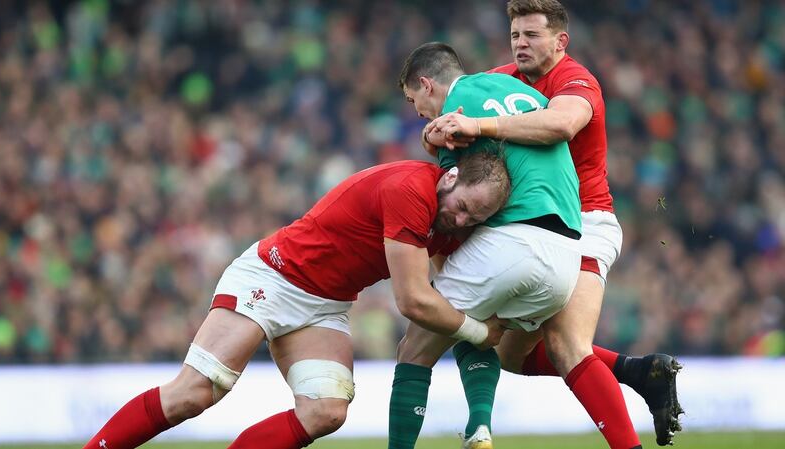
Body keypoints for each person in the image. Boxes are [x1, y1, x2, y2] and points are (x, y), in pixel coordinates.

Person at [81, 152, 512, 449]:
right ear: (451, 177)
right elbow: (414, 302)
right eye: (463, 208)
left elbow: (443, 285)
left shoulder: (446, 218)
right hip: (273, 277)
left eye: (474, 219)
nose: (461, 221)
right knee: (194, 394)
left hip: (325, 306)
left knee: (326, 412)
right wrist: (478, 331)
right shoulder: (411, 191)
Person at [423, 0, 683, 447]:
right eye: (515, 36)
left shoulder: (575, 80)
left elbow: (561, 124)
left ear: (561, 41)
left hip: (585, 221)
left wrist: (480, 126)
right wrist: (435, 136)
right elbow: (457, 133)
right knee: (507, 354)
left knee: (566, 347)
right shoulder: (500, 80)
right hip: (531, 226)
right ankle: (640, 372)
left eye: (532, 35)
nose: (521, 44)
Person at [388, 42, 588, 449]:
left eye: (414, 101)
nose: (419, 113)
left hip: (515, 241)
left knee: (415, 347)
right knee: (471, 328)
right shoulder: (519, 90)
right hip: (567, 257)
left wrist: (433, 142)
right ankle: (479, 425)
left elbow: (452, 197)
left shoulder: (455, 112)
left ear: (427, 85)